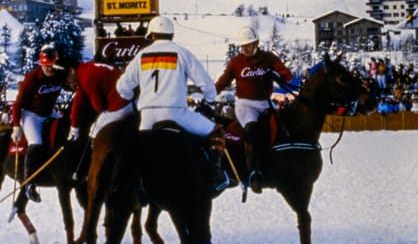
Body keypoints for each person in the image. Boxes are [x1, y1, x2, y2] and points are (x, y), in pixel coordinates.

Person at [114, 15, 231, 191]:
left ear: (152, 35)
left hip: (147, 118)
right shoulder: (181, 53)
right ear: (171, 35)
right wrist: (209, 97)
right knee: (217, 131)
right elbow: (205, 83)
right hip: (177, 114)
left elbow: (122, 87)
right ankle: (215, 176)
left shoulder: (141, 55)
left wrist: (132, 94)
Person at [214, 26, 293, 193]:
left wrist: (277, 75)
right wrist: (210, 94)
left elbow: (286, 75)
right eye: (242, 46)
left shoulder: (269, 58)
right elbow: (223, 81)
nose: (244, 49)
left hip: (266, 102)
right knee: (252, 129)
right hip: (245, 104)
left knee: (281, 128)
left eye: (248, 45)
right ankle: (252, 173)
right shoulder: (236, 62)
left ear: (256, 43)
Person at [11, 43, 69, 202]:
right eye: (46, 66)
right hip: (31, 114)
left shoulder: (60, 74)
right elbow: (17, 104)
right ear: (41, 64)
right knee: (36, 143)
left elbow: (70, 85)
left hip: (49, 112)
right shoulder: (32, 78)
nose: (49, 69)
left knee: (69, 129)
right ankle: (29, 182)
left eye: (52, 65)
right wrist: (16, 125)